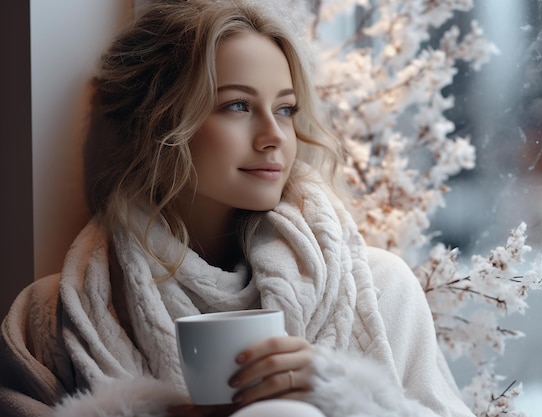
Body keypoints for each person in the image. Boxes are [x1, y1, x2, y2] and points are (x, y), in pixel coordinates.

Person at [0, 1, 475, 416]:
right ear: (160, 123)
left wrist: (342, 397)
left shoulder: (381, 289)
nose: (274, 135)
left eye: (286, 109)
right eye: (238, 107)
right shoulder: (54, 317)